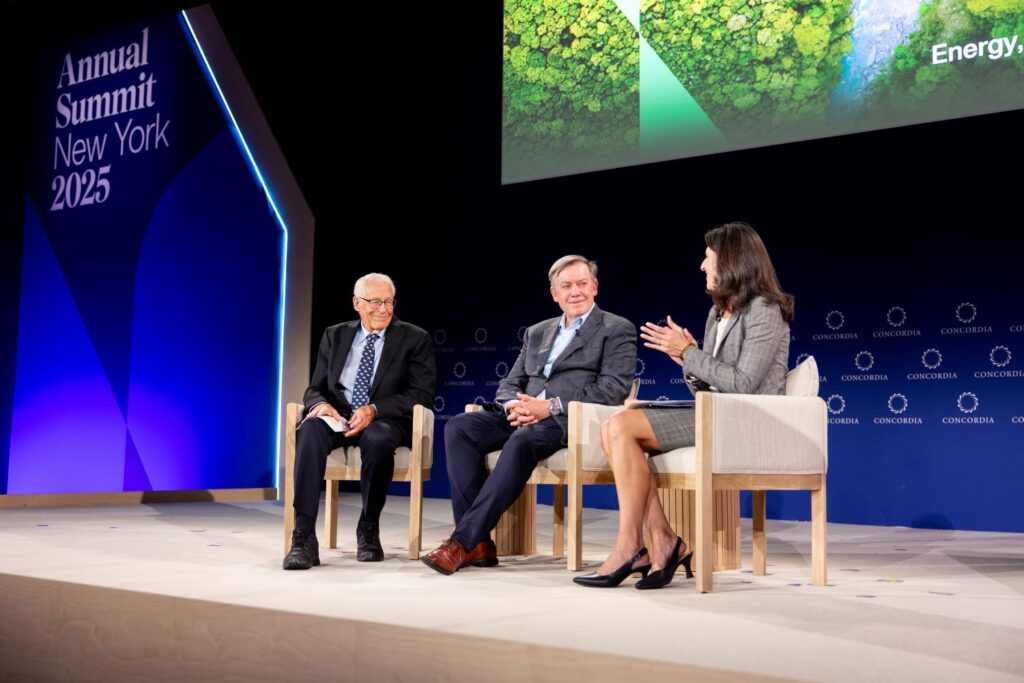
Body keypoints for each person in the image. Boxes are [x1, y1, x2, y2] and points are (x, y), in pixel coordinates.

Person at [574, 222, 794, 589]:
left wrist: (690, 354)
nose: (702, 266)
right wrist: (688, 363)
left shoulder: (765, 310)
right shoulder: (718, 313)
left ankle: (636, 545)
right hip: (714, 414)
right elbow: (708, 388)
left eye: (708, 258)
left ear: (732, 261)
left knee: (620, 427)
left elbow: (743, 384)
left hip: (744, 420)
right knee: (617, 427)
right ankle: (662, 541)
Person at [421, 255, 637, 575]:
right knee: (460, 427)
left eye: (581, 284)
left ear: (595, 287)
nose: (575, 291)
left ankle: (462, 541)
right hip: (525, 414)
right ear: (554, 293)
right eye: (566, 286)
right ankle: (480, 543)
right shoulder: (538, 332)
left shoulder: (616, 328)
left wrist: (548, 407)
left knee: (523, 440)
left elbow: (612, 389)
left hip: (571, 420)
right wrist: (515, 406)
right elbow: (510, 383)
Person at [284, 273, 436, 569]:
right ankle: (303, 535)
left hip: (386, 420)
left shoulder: (414, 338)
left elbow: (422, 394)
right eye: (375, 302)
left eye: (389, 302)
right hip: (339, 418)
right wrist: (321, 404)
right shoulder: (335, 335)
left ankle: (368, 526)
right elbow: (314, 387)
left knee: (378, 438)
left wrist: (375, 409)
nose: (383, 309)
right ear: (357, 303)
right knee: (311, 429)